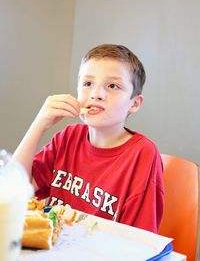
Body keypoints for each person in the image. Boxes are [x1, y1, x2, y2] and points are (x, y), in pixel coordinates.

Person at [14, 44, 164, 233]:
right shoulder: (67, 138)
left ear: (134, 103)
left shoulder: (143, 155)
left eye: (112, 86)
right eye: (87, 84)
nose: (96, 94)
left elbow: (139, 241)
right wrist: (39, 124)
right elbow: (14, 189)